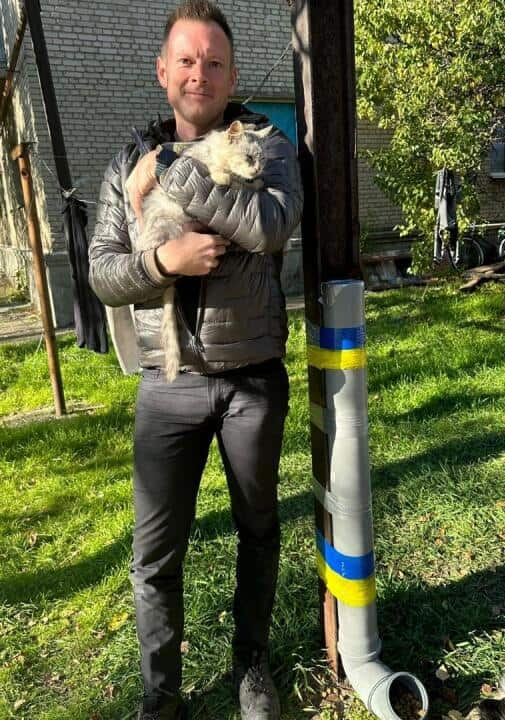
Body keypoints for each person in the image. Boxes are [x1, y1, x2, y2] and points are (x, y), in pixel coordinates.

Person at [86, 2, 304, 719]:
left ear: (232, 73)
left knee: (257, 529)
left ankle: (252, 668)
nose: (199, 74)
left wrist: (175, 179)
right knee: (155, 555)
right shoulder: (126, 161)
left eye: (213, 61)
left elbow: (269, 225)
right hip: (168, 382)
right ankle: (161, 695)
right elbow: (104, 273)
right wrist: (164, 259)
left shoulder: (267, 141)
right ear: (162, 71)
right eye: (186, 60)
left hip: (252, 380)